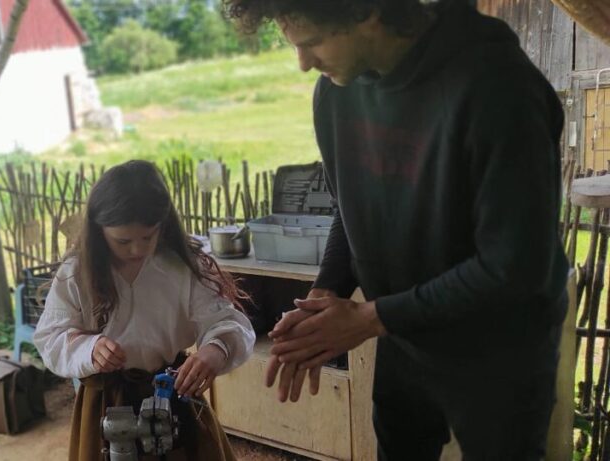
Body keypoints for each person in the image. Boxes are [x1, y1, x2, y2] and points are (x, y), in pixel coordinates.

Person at [222, 1, 569, 459]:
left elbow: (514, 268)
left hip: (499, 347)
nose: (304, 63)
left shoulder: (499, 88)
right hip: (404, 332)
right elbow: (353, 204)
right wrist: (327, 291)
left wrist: (369, 318)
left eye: (313, 43)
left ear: (367, 11)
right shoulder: (337, 93)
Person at [33, 160, 256, 461]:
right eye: (123, 241)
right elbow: (50, 337)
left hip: (172, 394)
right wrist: (89, 348)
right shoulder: (77, 273)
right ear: (99, 230)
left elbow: (227, 321)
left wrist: (216, 350)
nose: (137, 249)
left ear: (162, 224)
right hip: (106, 404)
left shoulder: (182, 266)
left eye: (147, 237)